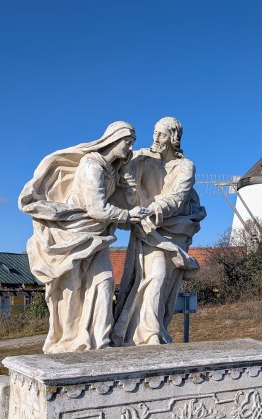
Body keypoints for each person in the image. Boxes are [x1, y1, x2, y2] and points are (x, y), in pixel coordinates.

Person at [19, 121, 150, 353]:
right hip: (73, 233)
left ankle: (100, 342)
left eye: (131, 144)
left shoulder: (113, 169)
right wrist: (128, 216)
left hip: (97, 236)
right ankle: (69, 340)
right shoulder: (92, 165)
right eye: (127, 142)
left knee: (105, 283)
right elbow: (97, 209)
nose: (129, 148)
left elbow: (123, 201)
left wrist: (128, 181)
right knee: (72, 288)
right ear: (113, 139)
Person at [112, 117, 206, 346]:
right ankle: (149, 334)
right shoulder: (143, 159)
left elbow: (178, 197)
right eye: (154, 133)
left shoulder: (185, 166)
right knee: (156, 274)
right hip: (148, 229)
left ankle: (152, 329)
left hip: (174, 229)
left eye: (161, 134)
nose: (155, 138)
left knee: (165, 285)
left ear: (173, 138)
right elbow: (123, 179)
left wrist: (155, 208)